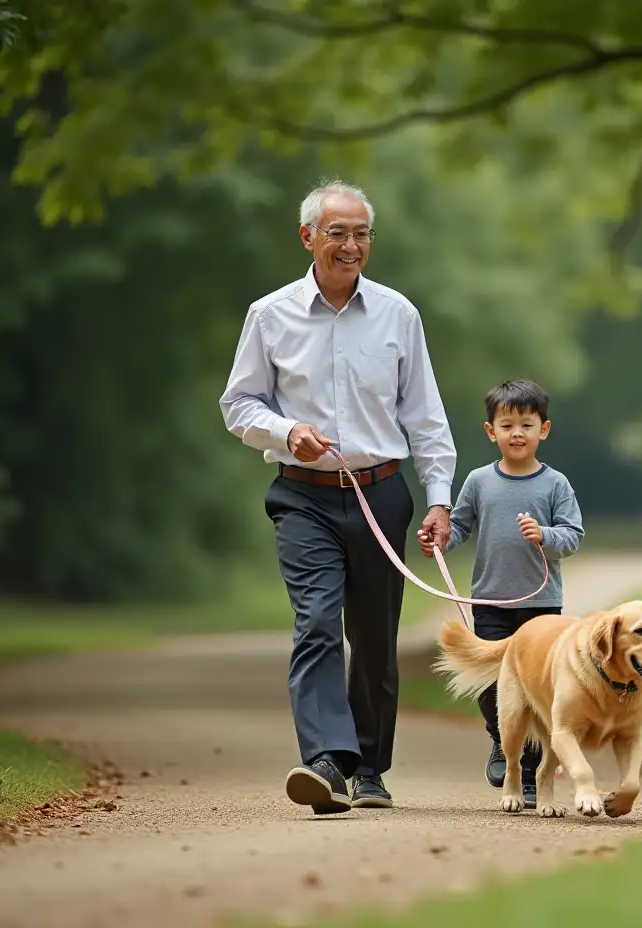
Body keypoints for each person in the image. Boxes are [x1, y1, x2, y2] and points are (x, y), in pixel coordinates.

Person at [219, 179, 456, 815]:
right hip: (302, 498)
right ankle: (327, 760)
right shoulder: (269, 315)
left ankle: (371, 767)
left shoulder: (398, 315)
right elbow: (238, 404)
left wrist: (438, 500)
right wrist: (283, 429)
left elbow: (426, 418)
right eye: (337, 232)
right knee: (318, 623)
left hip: (382, 494)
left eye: (360, 234)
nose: (350, 245)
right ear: (308, 237)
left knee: (375, 637)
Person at [419, 379, 584, 808]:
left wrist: (544, 534)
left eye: (526, 425)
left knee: (537, 692)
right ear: (490, 431)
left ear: (543, 430)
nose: (517, 433)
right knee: (492, 685)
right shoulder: (478, 481)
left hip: (543, 610)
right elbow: (460, 526)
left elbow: (572, 536)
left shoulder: (555, 485)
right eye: (507, 424)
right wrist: (441, 538)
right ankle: (500, 739)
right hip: (491, 602)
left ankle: (528, 775)